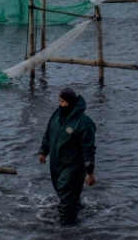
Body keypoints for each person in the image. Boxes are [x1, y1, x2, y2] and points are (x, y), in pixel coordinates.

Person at [38, 88, 96, 226]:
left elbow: (88, 148)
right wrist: (43, 151)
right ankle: (76, 211)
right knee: (63, 193)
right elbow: (48, 133)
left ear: (70, 102)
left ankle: (66, 228)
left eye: (63, 101)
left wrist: (89, 172)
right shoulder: (56, 115)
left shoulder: (83, 122)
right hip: (56, 162)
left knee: (66, 192)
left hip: (73, 165)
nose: (60, 104)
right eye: (59, 100)